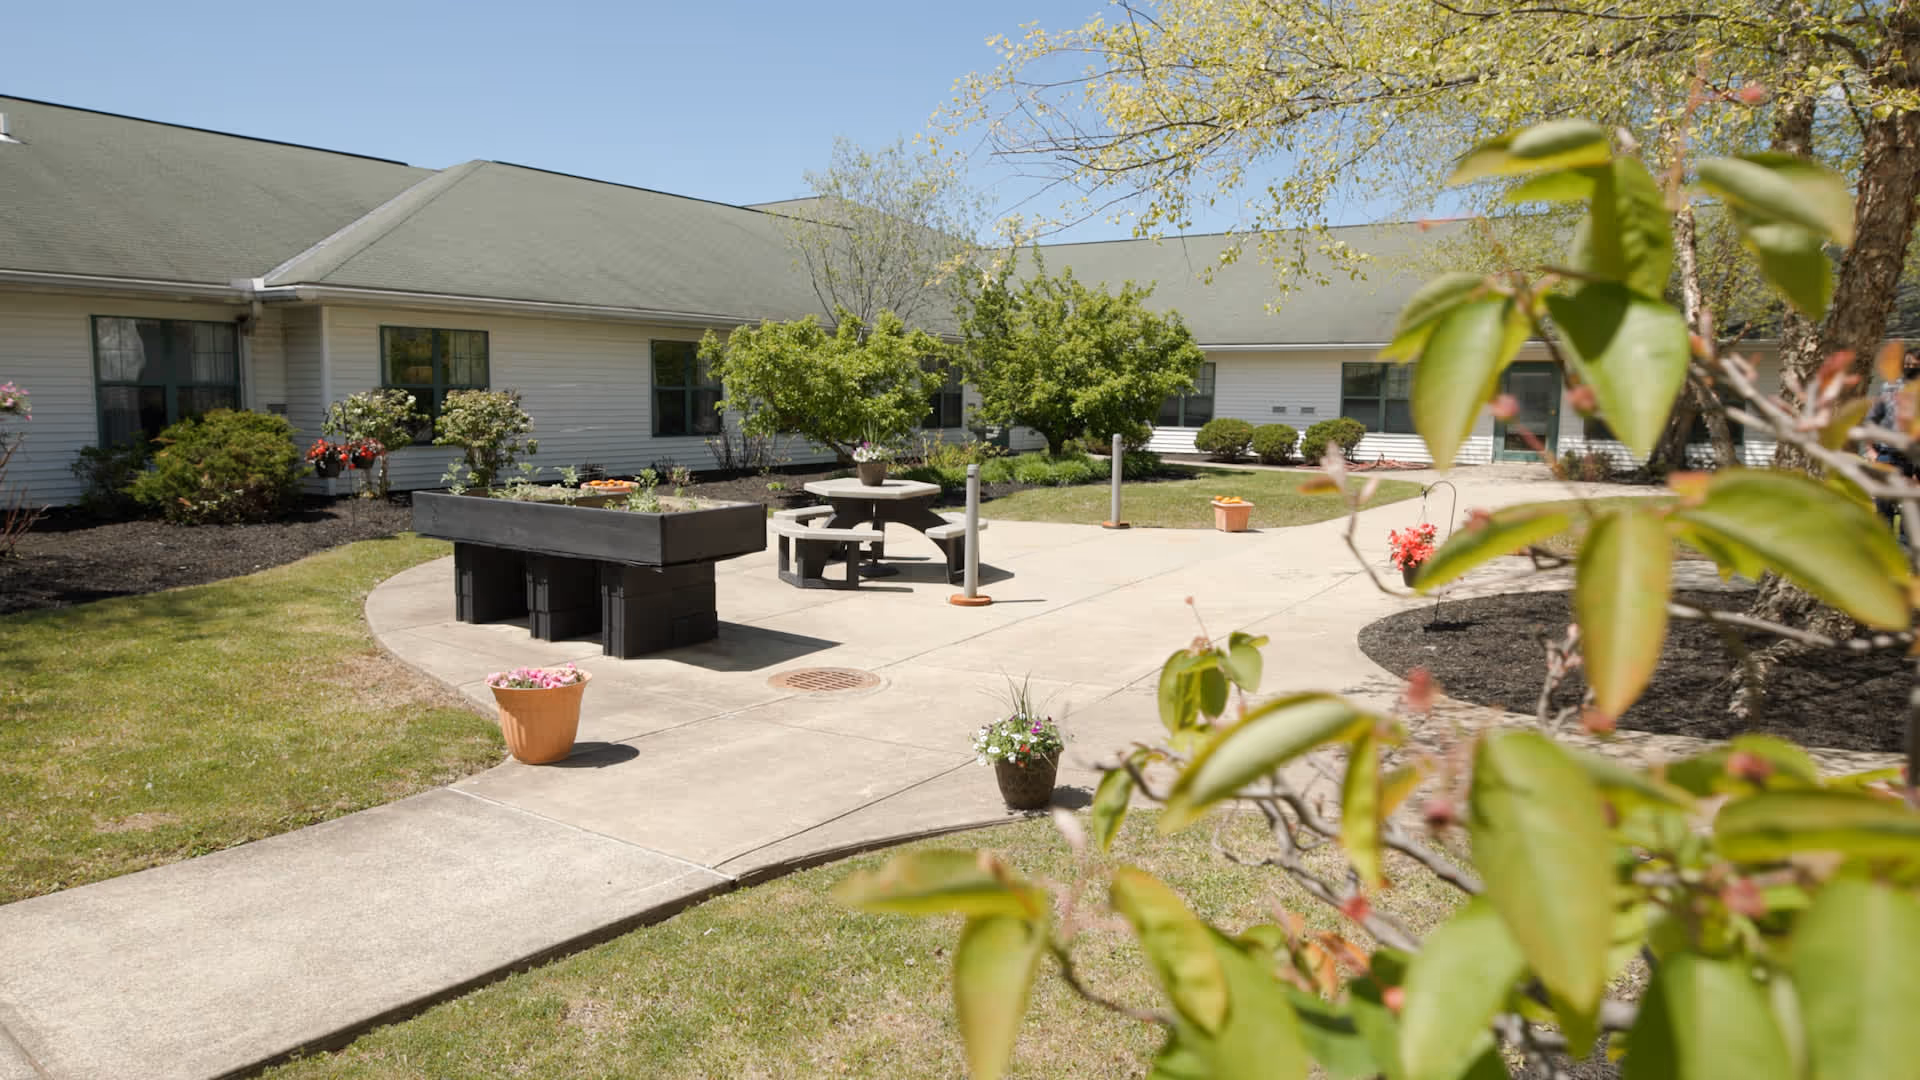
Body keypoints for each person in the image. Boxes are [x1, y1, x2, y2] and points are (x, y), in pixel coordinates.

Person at [1866, 347, 1920, 542]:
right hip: (1887, 456)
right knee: (1883, 510)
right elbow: (1871, 419)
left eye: (1915, 365)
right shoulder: (1888, 387)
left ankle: (1908, 562)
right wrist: (1871, 450)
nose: (1910, 368)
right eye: (1907, 365)